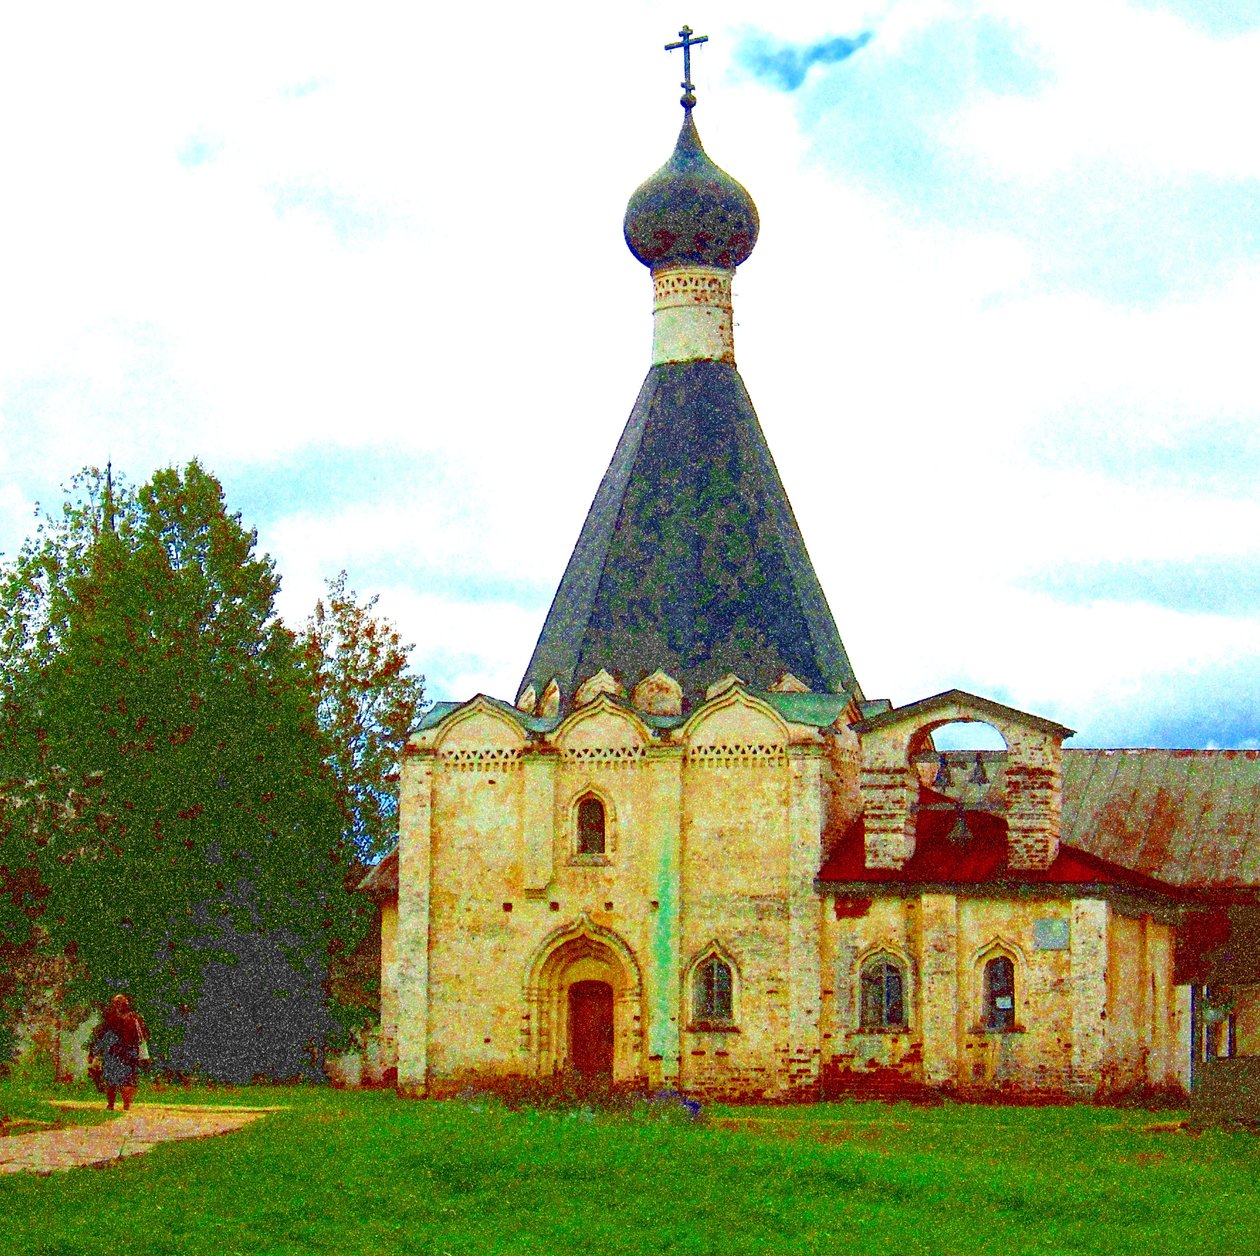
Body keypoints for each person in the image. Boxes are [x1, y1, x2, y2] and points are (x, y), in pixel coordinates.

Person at [87, 993, 149, 1112]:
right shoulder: (133, 1018)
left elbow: (100, 1036)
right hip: (128, 1052)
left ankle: (111, 1105)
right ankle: (125, 1105)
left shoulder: (110, 1018)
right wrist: (143, 1055)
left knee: (112, 1080)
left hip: (113, 1052)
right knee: (126, 1079)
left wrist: (93, 1052)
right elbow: (141, 1037)